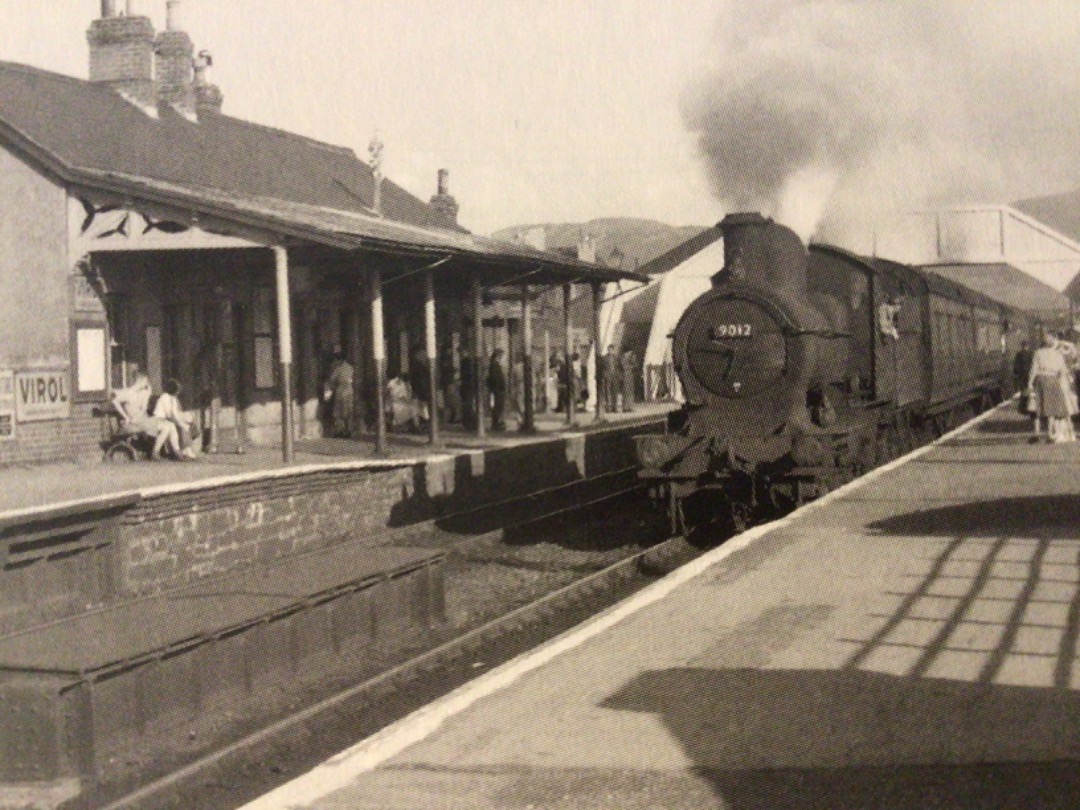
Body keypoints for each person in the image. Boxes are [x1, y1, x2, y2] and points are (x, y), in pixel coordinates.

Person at [111, 372, 183, 460]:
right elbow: (115, 401)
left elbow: (144, 408)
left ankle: (176, 452)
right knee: (166, 427)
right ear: (140, 381)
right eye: (145, 381)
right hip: (135, 423)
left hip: (144, 421)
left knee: (170, 425)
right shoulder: (128, 393)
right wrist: (126, 417)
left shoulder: (144, 393)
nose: (146, 383)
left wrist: (148, 392)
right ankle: (156, 453)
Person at [1028, 332, 1076, 443]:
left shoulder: (1038, 353)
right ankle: (1050, 434)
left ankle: (1037, 433)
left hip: (1041, 380)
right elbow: (1062, 370)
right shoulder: (1058, 354)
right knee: (1051, 408)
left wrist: (1030, 383)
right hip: (1054, 380)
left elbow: (1034, 369)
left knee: (1037, 407)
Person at [153, 379, 199, 459]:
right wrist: (181, 423)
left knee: (180, 425)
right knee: (172, 426)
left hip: (167, 420)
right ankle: (178, 451)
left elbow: (174, 414)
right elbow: (169, 415)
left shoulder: (173, 399)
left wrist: (182, 422)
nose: (178, 392)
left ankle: (183, 449)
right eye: (177, 390)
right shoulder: (165, 397)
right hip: (159, 420)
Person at [487, 348, 507, 430]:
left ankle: (496, 422)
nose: (502, 357)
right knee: (498, 406)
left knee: (498, 406)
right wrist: (499, 387)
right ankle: (496, 423)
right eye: (501, 355)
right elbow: (495, 377)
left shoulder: (495, 364)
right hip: (498, 389)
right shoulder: (495, 365)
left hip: (497, 388)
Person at [460, 347, 478, 431]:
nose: (460, 354)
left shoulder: (465, 361)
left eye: (462, 352)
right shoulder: (469, 361)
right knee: (469, 405)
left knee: (468, 405)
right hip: (468, 386)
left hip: (467, 386)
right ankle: (471, 423)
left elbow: (467, 375)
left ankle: (469, 423)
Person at [601, 345, 620, 413]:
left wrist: (617, 374)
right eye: (609, 349)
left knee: (614, 392)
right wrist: (604, 375)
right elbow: (602, 368)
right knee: (607, 392)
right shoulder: (604, 358)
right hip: (607, 376)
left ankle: (614, 408)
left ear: (613, 350)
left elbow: (617, 366)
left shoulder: (616, 357)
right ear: (607, 350)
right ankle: (608, 408)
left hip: (614, 376)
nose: (610, 351)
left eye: (611, 349)